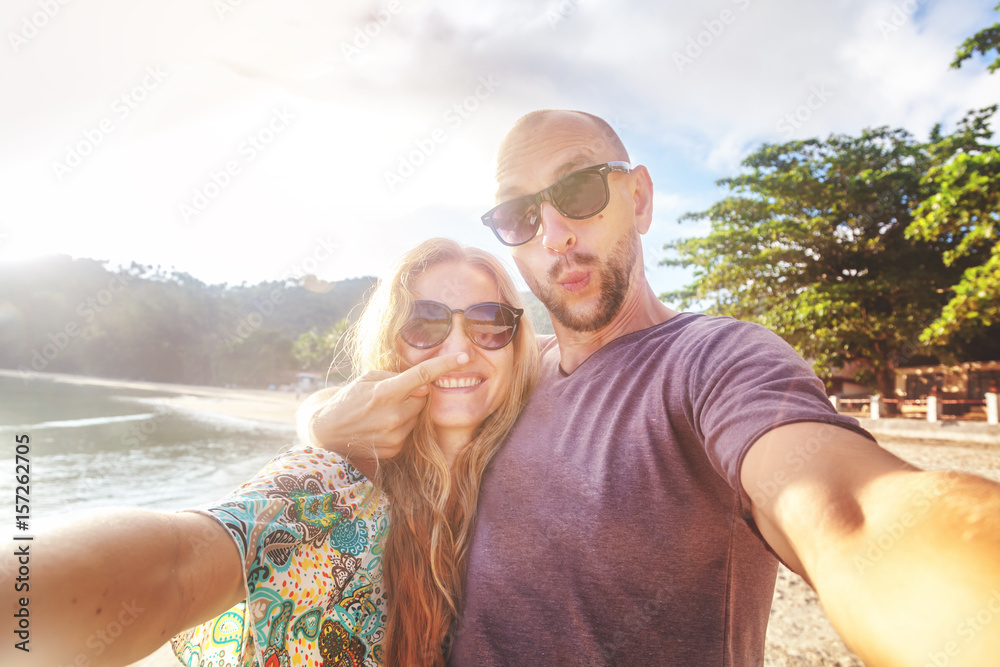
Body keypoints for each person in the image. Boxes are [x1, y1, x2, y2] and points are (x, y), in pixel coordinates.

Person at [303, 110, 1000, 665]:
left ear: (637, 198)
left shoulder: (714, 362)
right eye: (519, 216)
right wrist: (320, 425)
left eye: (578, 190)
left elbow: (856, 515)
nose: (555, 235)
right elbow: (378, 409)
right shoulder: (509, 370)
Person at [0, 238, 537, 667]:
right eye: (427, 323)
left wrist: (319, 413)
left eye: (490, 323)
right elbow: (178, 567)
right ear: (392, 344)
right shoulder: (331, 485)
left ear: (518, 343)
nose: (460, 349)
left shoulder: (543, 460)